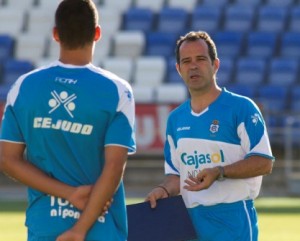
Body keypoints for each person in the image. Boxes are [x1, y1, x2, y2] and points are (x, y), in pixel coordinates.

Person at [0, 1, 136, 241]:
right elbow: (114, 167)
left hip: (45, 226)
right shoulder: (117, 91)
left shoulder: (24, 87)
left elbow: (7, 159)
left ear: (55, 34)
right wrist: (79, 229)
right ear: (97, 33)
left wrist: (70, 193)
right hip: (100, 229)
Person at [145, 31, 274, 241]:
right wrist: (163, 190)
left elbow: (264, 162)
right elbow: (177, 176)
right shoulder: (175, 119)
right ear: (179, 69)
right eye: (186, 61)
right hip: (189, 222)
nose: (193, 66)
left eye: (201, 59)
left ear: (215, 65)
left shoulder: (241, 108)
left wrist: (219, 172)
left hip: (232, 220)